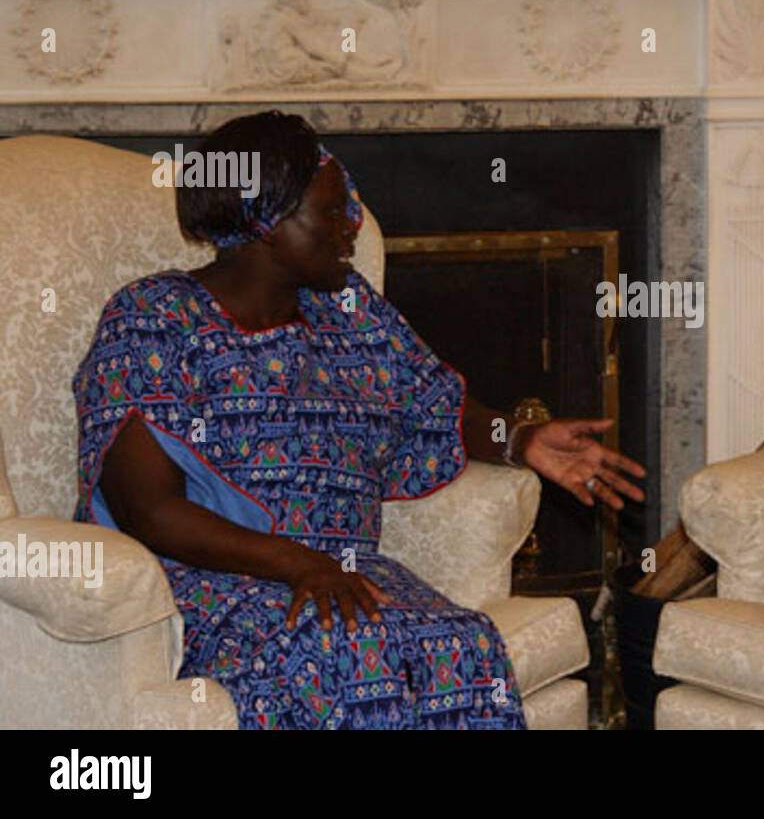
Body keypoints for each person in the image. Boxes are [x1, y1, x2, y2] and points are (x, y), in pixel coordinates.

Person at [72, 110, 645, 730]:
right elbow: (147, 509)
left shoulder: (349, 312)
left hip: (340, 574)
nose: (352, 225)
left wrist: (522, 439)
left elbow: (433, 407)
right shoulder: (153, 318)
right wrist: (296, 563)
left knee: (461, 642)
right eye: (332, 211)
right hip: (205, 585)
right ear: (267, 223)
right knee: (340, 654)